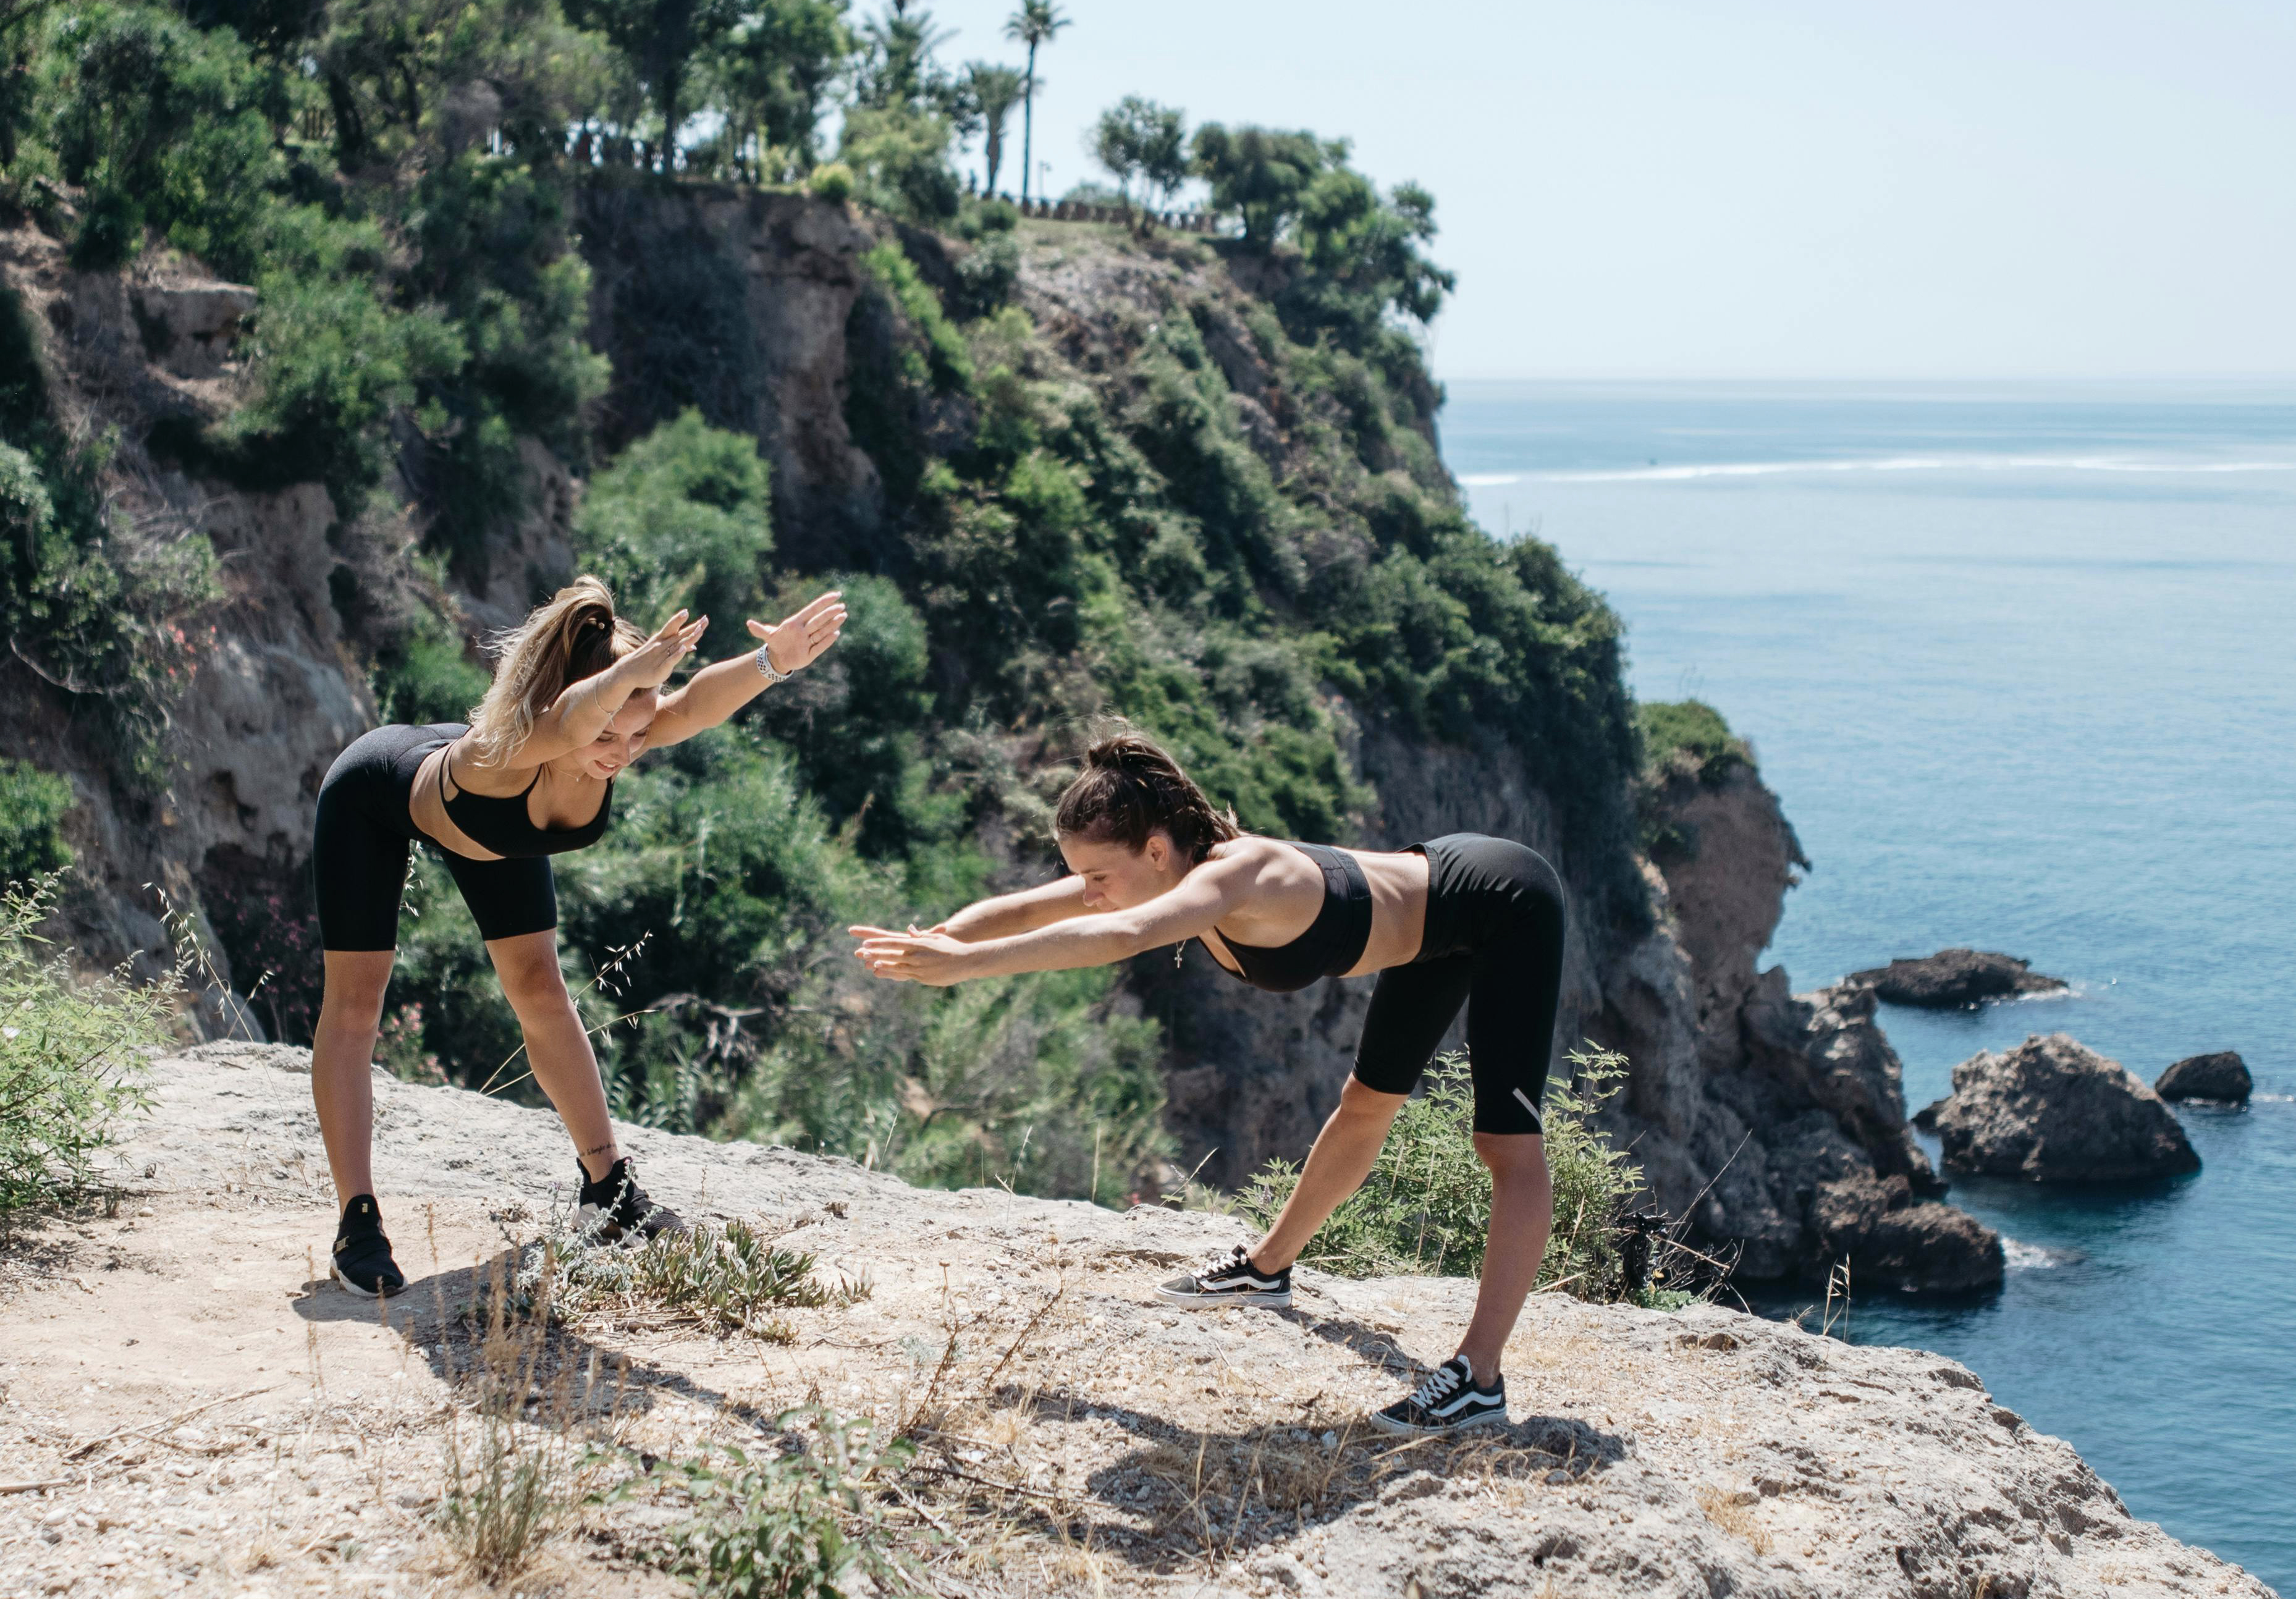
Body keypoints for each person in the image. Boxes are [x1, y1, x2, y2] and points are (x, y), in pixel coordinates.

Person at [849, 732, 1566, 1434]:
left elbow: (1123, 935)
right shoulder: (1155, 866)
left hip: (1505, 905)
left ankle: (1479, 1378)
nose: (1088, 893)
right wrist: (941, 939)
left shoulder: (1233, 876)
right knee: (1365, 1104)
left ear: (1156, 851)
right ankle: (1267, 1269)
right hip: (1433, 917)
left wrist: (967, 966)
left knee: (1504, 1143)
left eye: (1098, 877)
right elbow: (1032, 909)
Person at [311, 577, 851, 1294]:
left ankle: (609, 1188)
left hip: (498, 840)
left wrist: (770, 663)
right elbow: (570, 718)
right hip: (374, 801)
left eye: (636, 732)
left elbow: (688, 705)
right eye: (609, 733)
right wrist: (627, 675)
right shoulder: (500, 754)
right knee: (355, 1008)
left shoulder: (620, 726)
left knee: (541, 987)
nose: (625, 751)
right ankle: (358, 1221)